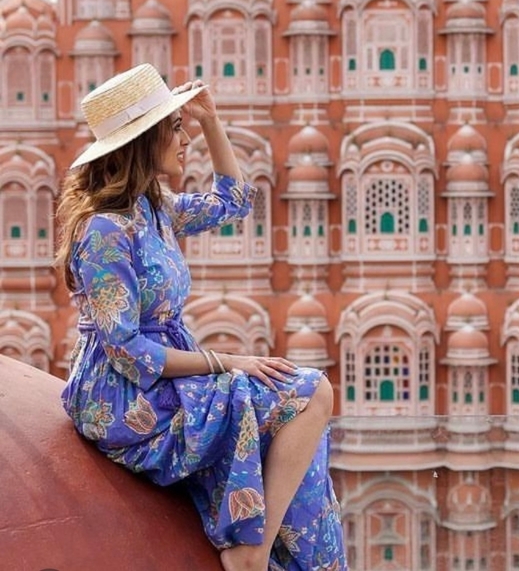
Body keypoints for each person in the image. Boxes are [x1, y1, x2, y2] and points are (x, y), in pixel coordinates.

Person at [56, 63, 347, 571]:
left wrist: (212, 120)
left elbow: (233, 201)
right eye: (175, 128)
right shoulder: (104, 230)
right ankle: (251, 551)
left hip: (169, 370)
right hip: (123, 395)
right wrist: (226, 362)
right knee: (305, 392)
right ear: (145, 141)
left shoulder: (153, 208)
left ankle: (260, 544)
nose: (184, 136)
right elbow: (126, 351)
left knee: (305, 398)